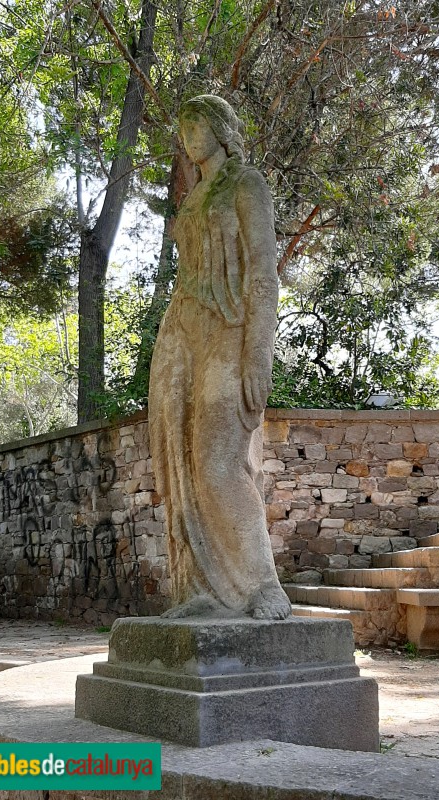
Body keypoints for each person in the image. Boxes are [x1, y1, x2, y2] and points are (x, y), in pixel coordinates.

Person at [148, 95, 291, 620]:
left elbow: (262, 269)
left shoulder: (246, 183)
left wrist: (259, 350)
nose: (188, 135)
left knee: (217, 462)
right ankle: (200, 593)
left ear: (221, 128)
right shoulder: (191, 200)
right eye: (182, 126)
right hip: (182, 333)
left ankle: (262, 587)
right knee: (184, 463)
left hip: (230, 331)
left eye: (197, 123)